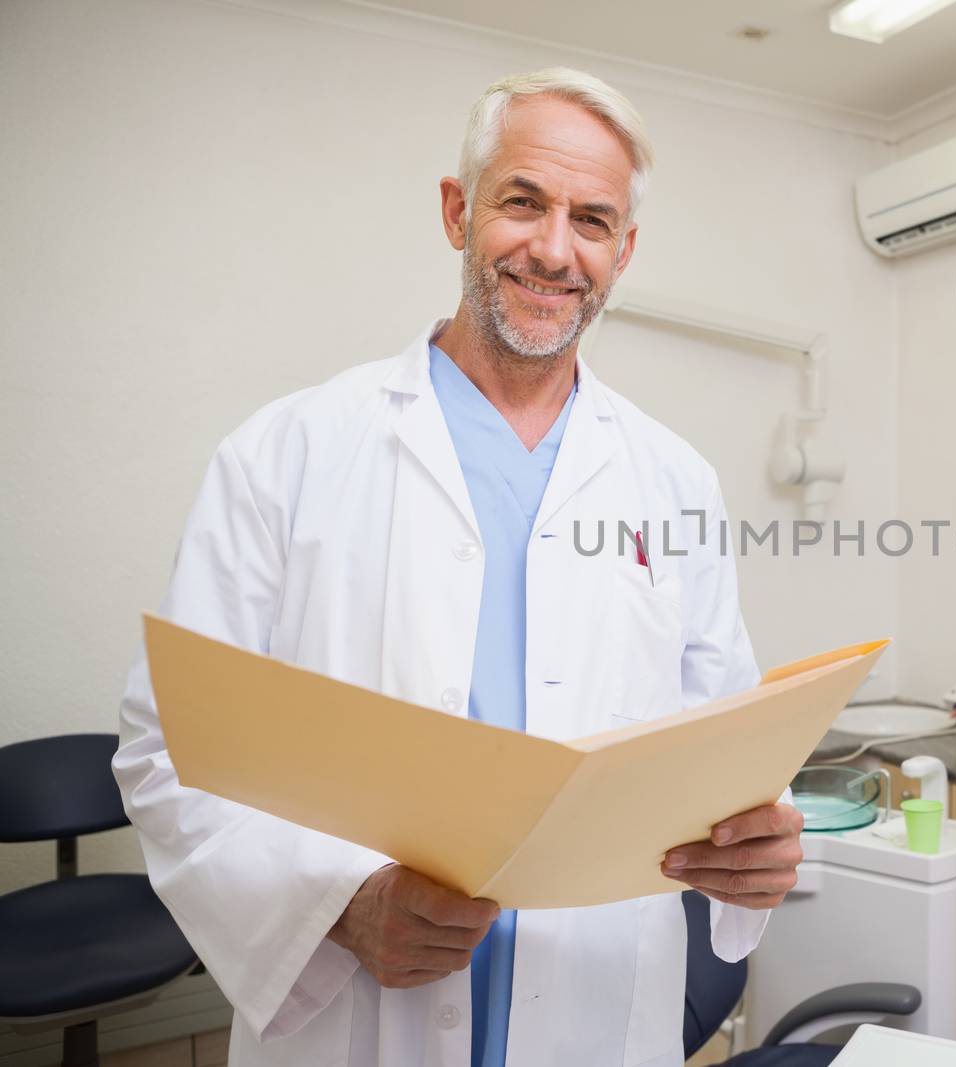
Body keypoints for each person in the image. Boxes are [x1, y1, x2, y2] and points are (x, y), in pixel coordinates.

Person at [112, 68, 803, 1067]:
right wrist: (339, 905)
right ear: (458, 209)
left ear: (624, 251)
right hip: (356, 1013)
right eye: (523, 202)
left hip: (597, 1002)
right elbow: (171, 745)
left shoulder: (676, 480)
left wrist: (755, 842)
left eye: (592, 220)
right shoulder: (288, 451)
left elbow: (723, 742)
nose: (554, 249)